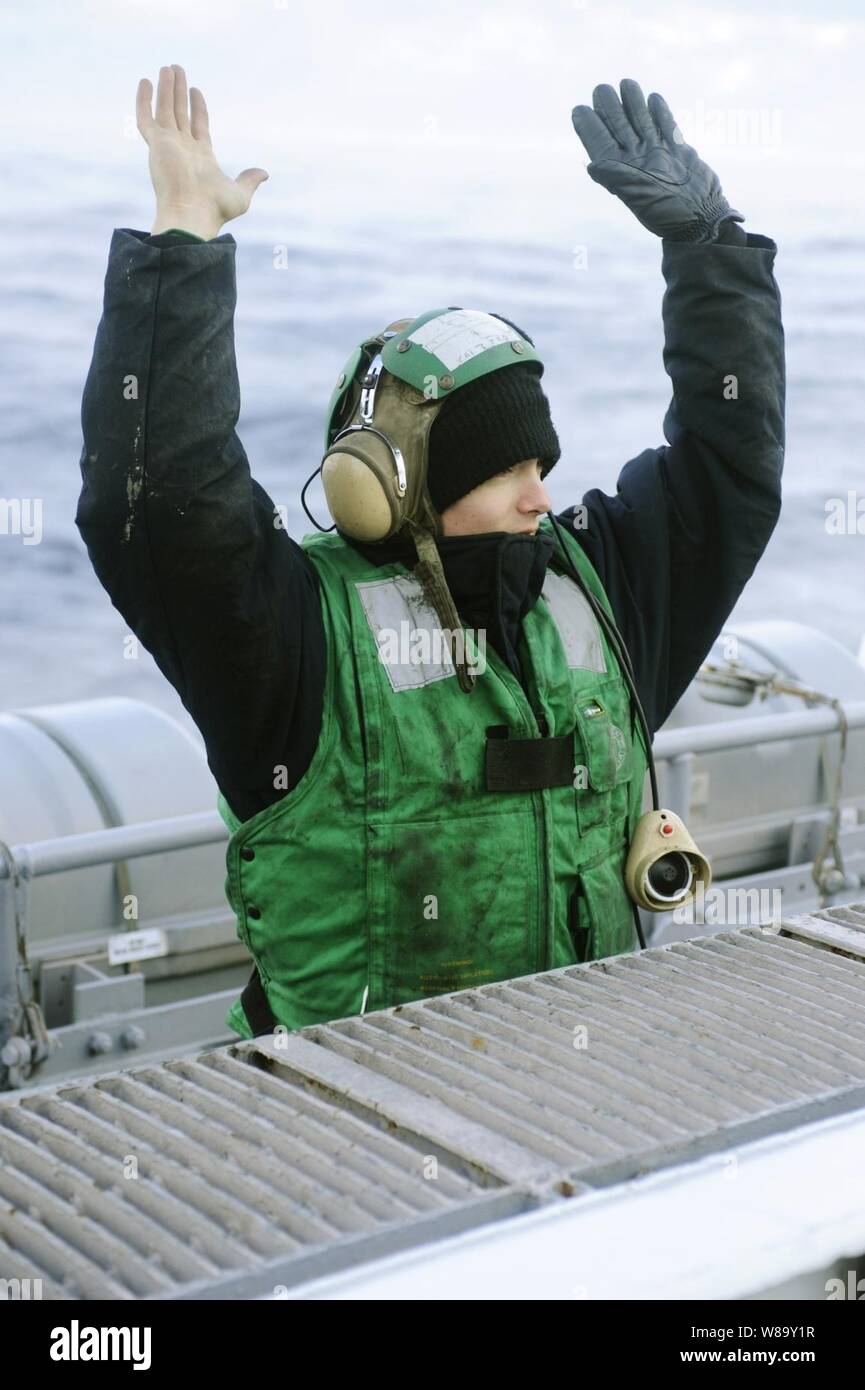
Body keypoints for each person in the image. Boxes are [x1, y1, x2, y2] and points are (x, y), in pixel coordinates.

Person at [76, 66, 785, 1039]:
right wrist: (184, 241)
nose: (542, 495)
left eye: (544, 462)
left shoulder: (601, 591)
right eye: (505, 473)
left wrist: (711, 251)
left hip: (591, 1092)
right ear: (393, 488)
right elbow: (161, 504)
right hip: (344, 1128)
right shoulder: (288, 638)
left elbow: (728, 466)